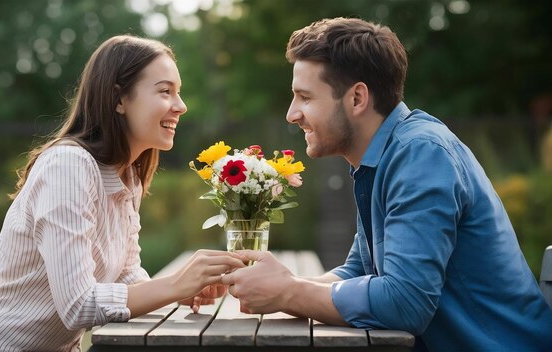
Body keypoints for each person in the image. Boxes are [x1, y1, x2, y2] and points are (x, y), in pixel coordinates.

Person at [222, 17, 552, 352]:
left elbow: (405, 302)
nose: (292, 114)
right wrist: (276, 285)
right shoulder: (384, 157)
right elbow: (356, 272)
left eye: (305, 97)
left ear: (357, 98)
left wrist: (288, 291)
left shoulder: (421, 155)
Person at [0, 35, 245, 352]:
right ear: (119, 99)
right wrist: (172, 284)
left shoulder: (127, 177)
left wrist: (177, 290)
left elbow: (125, 276)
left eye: (178, 93)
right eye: (165, 91)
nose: (181, 106)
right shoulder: (68, 166)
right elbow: (78, 306)